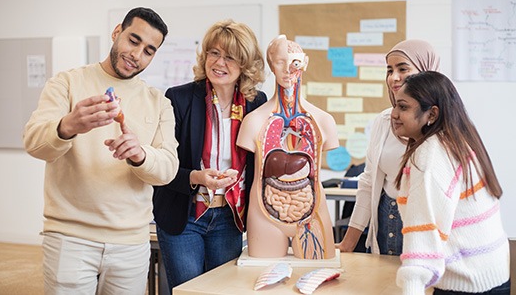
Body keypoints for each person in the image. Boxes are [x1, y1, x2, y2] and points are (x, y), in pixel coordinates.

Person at [23, 7, 179, 295]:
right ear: (117, 32)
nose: (137, 54)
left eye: (148, 50)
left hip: (131, 243)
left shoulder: (158, 102)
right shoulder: (67, 83)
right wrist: (67, 125)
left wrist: (140, 155)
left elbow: (167, 170)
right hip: (70, 239)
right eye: (133, 41)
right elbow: (34, 143)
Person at [152, 19, 267, 293]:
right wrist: (196, 177)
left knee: (224, 290)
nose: (219, 63)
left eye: (230, 57)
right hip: (185, 213)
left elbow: (261, 164)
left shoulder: (256, 103)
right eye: (214, 53)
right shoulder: (178, 98)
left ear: (245, 65)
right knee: (189, 289)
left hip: (230, 216)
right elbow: (162, 165)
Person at [392, 71, 511, 295]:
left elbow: (423, 233)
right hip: (493, 277)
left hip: (467, 284)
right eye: (396, 106)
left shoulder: (431, 154)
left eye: (403, 107)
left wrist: (412, 287)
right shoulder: (456, 139)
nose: (394, 114)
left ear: (432, 114)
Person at [237, 35, 338, 259]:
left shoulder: (323, 121)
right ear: (271, 65)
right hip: (264, 215)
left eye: (294, 61)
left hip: (313, 213)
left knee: (317, 280)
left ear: (305, 62)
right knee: (264, 279)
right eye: (280, 62)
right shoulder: (253, 121)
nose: (288, 69)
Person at [339, 39, 441, 255]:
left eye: (403, 69)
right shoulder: (384, 121)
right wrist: (348, 243)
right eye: (389, 70)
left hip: (428, 232)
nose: (394, 77)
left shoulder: (443, 125)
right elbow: (368, 183)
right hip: (387, 222)